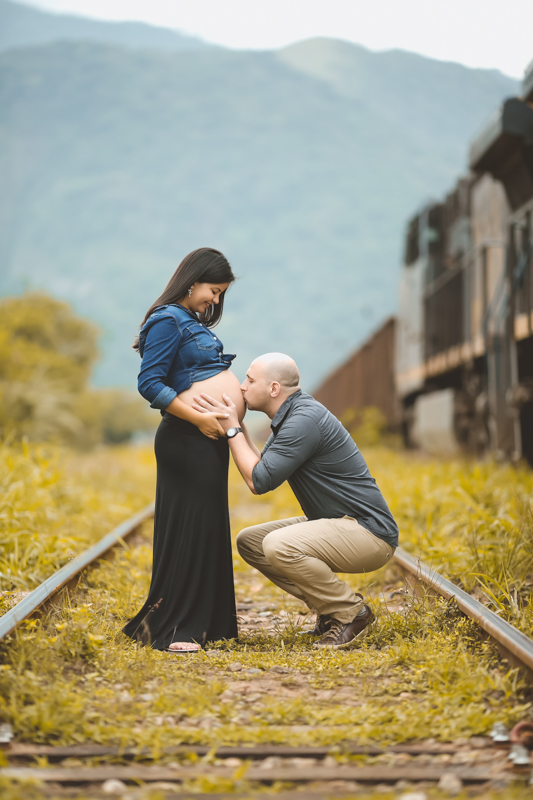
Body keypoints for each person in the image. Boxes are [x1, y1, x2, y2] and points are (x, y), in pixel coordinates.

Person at [193, 352, 399, 650]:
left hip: (368, 533)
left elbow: (258, 481)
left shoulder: (304, 420)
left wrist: (232, 429)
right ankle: (330, 610)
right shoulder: (291, 416)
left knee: (279, 546)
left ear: (274, 389)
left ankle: (351, 613)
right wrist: (237, 425)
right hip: (338, 524)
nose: (241, 386)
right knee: (250, 541)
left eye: (249, 380)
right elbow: (263, 465)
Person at [123, 247, 244, 653]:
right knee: (190, 530)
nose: (215, 299)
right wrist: (200, 419)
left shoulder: (190, 321)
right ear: (192, 281)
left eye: (221, 293)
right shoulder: (167, 320)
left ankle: (208, 622)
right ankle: (175, 629)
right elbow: (150, 384)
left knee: (207, 526)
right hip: (186, 439)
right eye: (213, 290)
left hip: (206, 438)